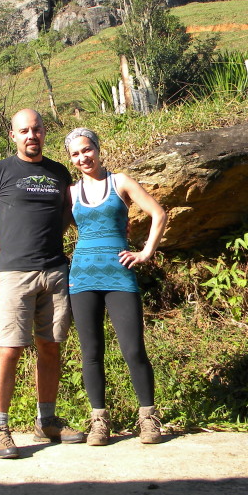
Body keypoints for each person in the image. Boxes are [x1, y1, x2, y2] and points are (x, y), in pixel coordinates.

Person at [0, 109, 84, 459]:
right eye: (24, 131)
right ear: (13, 135)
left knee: (50, 346)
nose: (31, 135)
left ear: (44, 133)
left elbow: (69, 211)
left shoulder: (59, 172)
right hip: (15, 274)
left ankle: (46, 421)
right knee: (9, 348)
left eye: (36, 129)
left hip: (54, 271)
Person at [63, 127, 167, 445]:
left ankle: (148, 420)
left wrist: (146, 251)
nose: (83, 157)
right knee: (91, 353)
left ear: (97, 148)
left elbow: (158, 213)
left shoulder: (119, 181)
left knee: (133, 349)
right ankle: (99, 423)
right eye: (76, 154)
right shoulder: (70, 193)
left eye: (86, 150)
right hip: (81, 278)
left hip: (119, 275)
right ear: (71, 159)